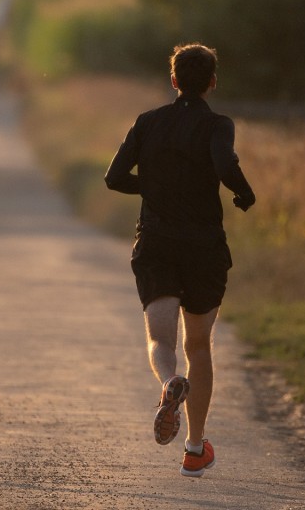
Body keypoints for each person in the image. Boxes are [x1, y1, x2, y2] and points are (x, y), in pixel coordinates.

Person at [104, 43, 255, 477]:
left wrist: (153, 190)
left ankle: (169, 383)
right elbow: (225, 165)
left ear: (173, 80)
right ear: (212, 82)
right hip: (204, 246)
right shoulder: (217, 124)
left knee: (160, 340)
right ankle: (193, 447)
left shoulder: (148, 122)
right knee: (199, 345)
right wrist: (245, 193)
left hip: (156, 242)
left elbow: (114, 178)